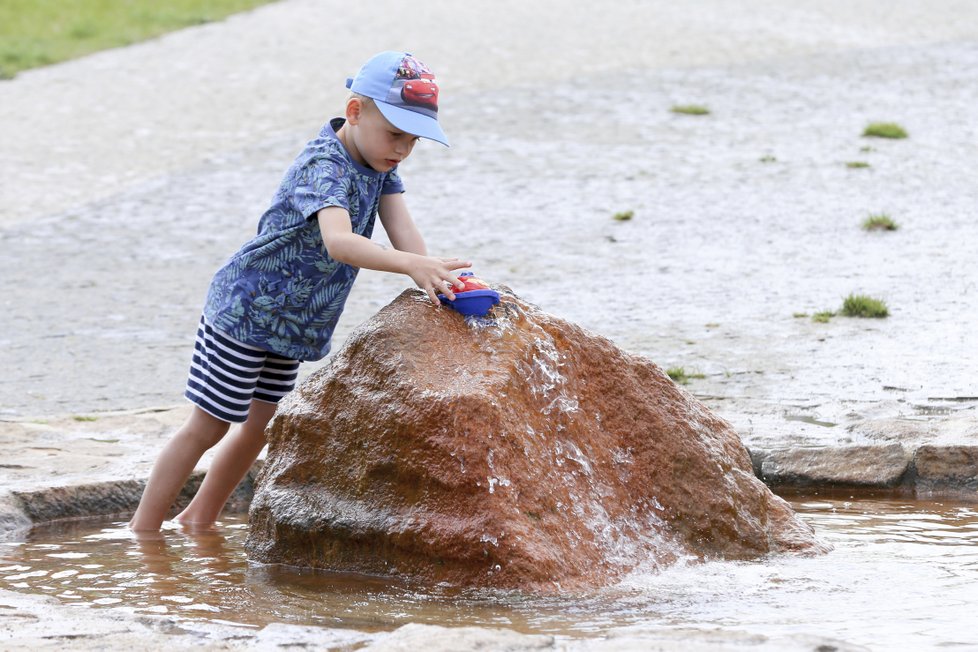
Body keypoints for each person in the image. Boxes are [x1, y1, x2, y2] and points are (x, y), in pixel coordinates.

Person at [129, 51, 469, 531]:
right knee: (209, 424)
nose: (402, 149)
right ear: (355, 111)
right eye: (395, 134)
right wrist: (411, 265)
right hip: (245, 310)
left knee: (259, 426)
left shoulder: (381, 165)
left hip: (293, 323)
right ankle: (143, 531)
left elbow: (402, 230)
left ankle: (197, 521)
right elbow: (340, 242)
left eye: (413, 140)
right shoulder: (323, 164)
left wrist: (431, 272)